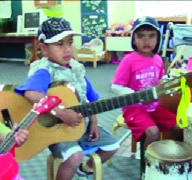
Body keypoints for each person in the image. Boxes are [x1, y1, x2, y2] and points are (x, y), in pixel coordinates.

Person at [15, 17, 120, 180]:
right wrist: (61, 113)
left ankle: (84, 170)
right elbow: (31, 93)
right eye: (59, 44)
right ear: (43, 48)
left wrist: (94, 122)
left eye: (70, 43)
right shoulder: (44, 70)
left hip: (82, 126)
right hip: (58, 131)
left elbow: (89, 99)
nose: (67, 49)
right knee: (75, 156)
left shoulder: (76, 69)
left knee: (113, 145)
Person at [111, 16, 178, 149]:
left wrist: (165, 85)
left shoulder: (158, 60)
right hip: (134, 108)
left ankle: (170, 159)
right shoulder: (129, 60)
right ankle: (147, 167)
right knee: (153, 133)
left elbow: (159, 83)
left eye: (151, 36)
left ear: (158, 38)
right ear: (134, 39)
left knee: (179, 125)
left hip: (155, 106)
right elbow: (116, 87)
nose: (146, 41)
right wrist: (138, 95)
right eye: (141, 36)